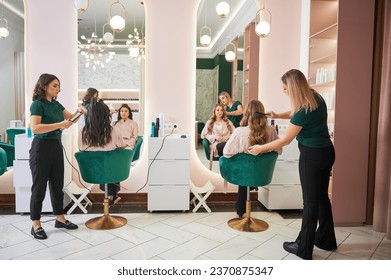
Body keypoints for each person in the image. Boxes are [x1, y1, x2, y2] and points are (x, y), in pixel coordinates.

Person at [247, 69, 337, 260]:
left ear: (294, 88)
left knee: (310, 202)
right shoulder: (315, 97)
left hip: (312, 156)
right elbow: (295, 112)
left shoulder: (304, 109)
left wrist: (260, 148)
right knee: (321, 198)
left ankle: (303, 248)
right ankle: (326, 239)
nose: (284, 91)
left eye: (285, 88)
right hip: (327, 152)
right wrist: (279, 114)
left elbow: (285, 140)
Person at [29, 73, 81, 240]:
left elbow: (70, 119)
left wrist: (80, 111)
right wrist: (60, 125)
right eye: (54, 85)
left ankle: (60, 218)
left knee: (57, 185)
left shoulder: (57, 105)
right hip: (41, 148)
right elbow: (35, 129)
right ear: (44, 86)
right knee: (39, 188)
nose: (58, 89)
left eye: (59, 86)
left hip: (56, 147)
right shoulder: (37, 105)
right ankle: (36, 223)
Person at [223, 100, 282, 217]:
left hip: (243, 173)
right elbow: (279, 150)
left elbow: (226, 153)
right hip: (262, 173)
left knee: (244, 167)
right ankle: (244, 203)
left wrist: (241, 154)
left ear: (246, 113)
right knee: (249, 167)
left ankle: (240, 211)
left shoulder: (240, 131)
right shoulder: (271, 130)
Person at [78, 98, 125, 205]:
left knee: (103, 162)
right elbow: (121, 145)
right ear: (106, 115)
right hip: (112, 172)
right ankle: (112, 196)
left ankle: (111, 196)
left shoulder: (82, 132)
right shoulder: (114, 130)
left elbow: (81, 149)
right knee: (111, 161)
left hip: (91, 172)